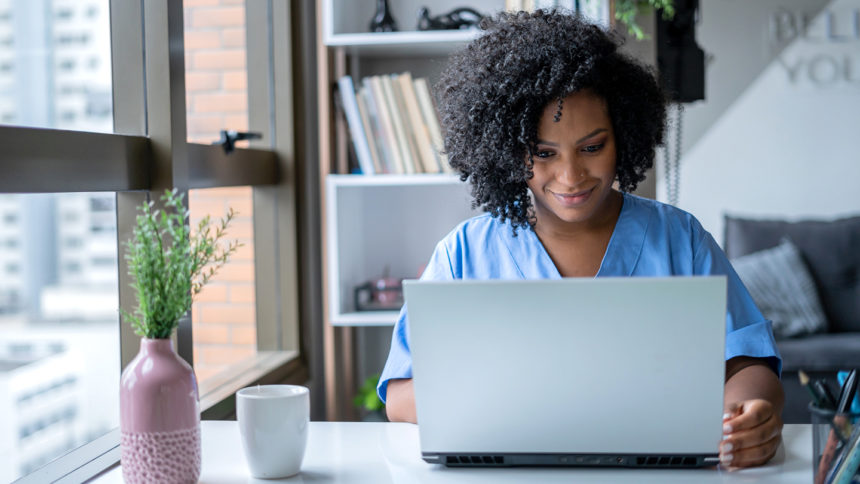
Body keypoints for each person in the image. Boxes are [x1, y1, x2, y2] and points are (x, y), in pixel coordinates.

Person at [377, 10, 784, 469]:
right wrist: (518, 399)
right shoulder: (463, 253)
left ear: (625, 136)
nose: (571, 177)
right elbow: (400, 394)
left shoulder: (679, 239)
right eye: (543, 153)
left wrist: (750, 413)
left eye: (592, 147)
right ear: (506, 151)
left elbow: (748, 363)